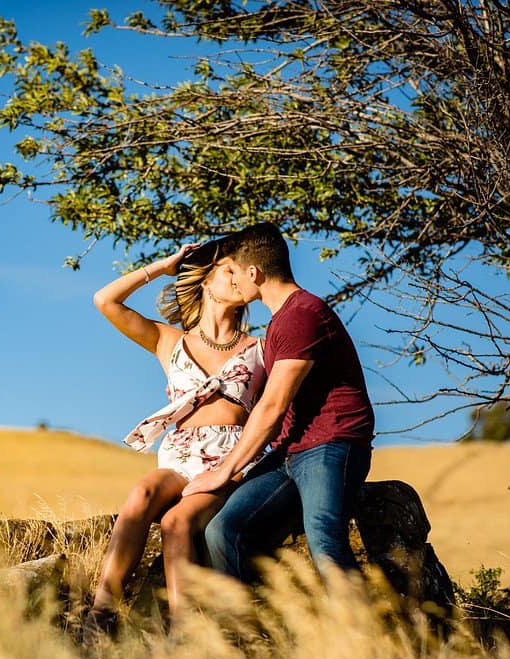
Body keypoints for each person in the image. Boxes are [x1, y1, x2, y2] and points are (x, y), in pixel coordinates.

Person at [85, 238, 267, 636]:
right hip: (179, 453)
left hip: (230, 457)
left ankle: (182, 632)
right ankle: (100, 614)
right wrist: (163, 267)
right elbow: (105, 300)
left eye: (241, 272)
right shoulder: (169, 341)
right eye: (228, 271)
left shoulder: (262, 348)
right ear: (206, 281)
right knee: (141, 496)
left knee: (177, 522)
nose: (238, 278)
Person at [180, 222, 375, 583]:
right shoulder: (278, 323)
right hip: (289, 453)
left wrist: (223, 472)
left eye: (234, 273)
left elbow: (273, 407)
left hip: (331, 447)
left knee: (325, 542)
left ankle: (364, 636)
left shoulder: (301, 314)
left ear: (254, 272)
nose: (233, 282)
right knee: (224, 530)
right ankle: (246, 633)